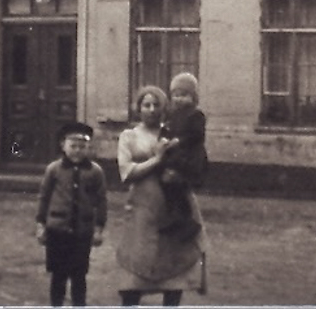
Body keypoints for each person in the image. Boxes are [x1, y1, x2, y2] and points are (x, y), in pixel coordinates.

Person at [115, 85, 207, 306]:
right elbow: (127, 173)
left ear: (164, 108)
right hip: (143, 208)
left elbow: (198, 162)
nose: (151, 109)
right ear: (138, 108)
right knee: (135, 275)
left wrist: (183, 174)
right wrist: (157, 159)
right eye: (146, 105)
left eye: (156, 105)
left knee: (174, 276)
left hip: (174, 208)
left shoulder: (176, 132)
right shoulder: (129, 136)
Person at [36, 121, 108, 307]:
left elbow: (101, 201)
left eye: (82, 147)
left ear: (88, 147)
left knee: (79, 275)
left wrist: (98, 229)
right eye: (73, 146)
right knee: (58, 275)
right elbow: (44, 197)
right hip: (57, 230)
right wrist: (40, 225)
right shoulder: (54, 169)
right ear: (63, 145)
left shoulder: (95, 172)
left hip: (82, 232)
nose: (77, 151)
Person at [157, 72, 208, 240]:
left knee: (177, 183)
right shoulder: (172, 115)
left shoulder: (196, 115)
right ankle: (174, 218)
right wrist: (163, 139)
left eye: (184, 95)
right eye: (176, 95)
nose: (179, 99)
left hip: (190, 157)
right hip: (175, 157)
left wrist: (178, 141)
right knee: (166, 183)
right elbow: (165, 130)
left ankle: (188, 222)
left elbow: (196, 135)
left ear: (193, 97)